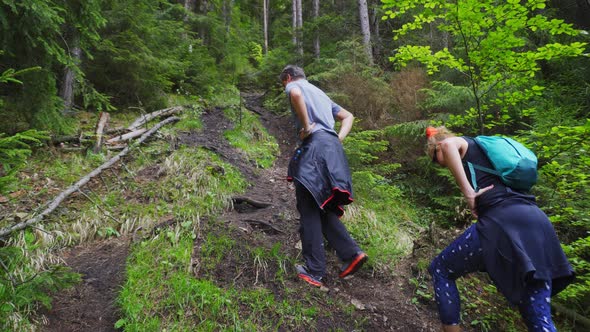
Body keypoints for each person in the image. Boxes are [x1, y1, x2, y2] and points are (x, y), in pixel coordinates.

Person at [425, 126, 575, 332]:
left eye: (435, 158)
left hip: (503, 223)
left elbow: (449, 145)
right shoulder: (487, 154)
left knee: (441, 269)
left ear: (437, 147)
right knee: (538, 317)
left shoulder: (461, 143)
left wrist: (468, 194)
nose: (438, 164)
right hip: (538, 224)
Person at [280, 65, 367, 287]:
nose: (286, 87)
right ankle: (351, 253)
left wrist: (307, 126)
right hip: (332, 150)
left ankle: (314, 271)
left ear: (288, 77)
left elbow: (296, 94)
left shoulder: (294, 86)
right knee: (322, 205)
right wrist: (338, 138)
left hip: (314, 149)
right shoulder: (321, 94)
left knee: (308, 207)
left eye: (284, 83)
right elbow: (348, 116)